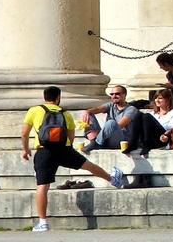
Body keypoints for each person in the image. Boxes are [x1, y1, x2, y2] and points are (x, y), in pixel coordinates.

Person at [23, 85, 123, 231]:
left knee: (42, 186)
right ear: (58, 98)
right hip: (64, 150)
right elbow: (70, 136)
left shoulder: (34, 110)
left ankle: (43, 222)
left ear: (45, 97)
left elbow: (24, 133)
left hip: (44, 151)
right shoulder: (65, 114)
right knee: (88, 166)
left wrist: (25, 149)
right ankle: (113, 179)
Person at [81, 85, 139, 152]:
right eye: (112, 94)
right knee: (89, 115)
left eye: (117, 94)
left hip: (121, 140)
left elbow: (119, 125)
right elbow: (98, 109)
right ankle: (94, 141)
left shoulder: (131, 109)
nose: (114, 96)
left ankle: (96, 143)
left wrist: (97, 132)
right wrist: (87, 112)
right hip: (106, 138)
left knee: (111, 123)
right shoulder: (110, 105)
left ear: (124, 95)